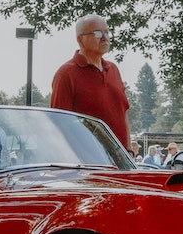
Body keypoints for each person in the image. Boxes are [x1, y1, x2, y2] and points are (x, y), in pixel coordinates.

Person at [50, 13, 131, 149]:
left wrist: (129, 152)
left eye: (107, 32)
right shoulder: (66, 74)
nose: (105, 38)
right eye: (98, 33)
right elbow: (59, 124)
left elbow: (123, 114)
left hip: (120, 162)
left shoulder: (113, 70)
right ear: (80, 40)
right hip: (89, 163)